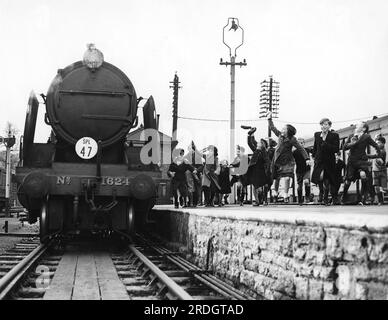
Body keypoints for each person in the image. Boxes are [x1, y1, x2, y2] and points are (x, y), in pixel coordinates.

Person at [268, 112, 309, 203]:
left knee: (286, 177)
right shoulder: (279, 135)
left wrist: (307, 158)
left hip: (287, 160)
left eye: (284, 129)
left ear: (288, 131)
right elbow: (272, 128)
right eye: (282, 128)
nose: (282, 129)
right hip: (277, 159)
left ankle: (285, 194)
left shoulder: (292, 139)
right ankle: (275, 191)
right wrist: (269, 119)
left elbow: (301, 148)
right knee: (276, 178)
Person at [342, 122, 381, 205]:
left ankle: (363, 197)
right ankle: (344, 196)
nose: (357, 125)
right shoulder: (351, 136)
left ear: (363, 128)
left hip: (361, 161)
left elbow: (375, 145)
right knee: (348, 181)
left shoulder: (366, 137)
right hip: (352, 161)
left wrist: (378, 155)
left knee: (363, 175)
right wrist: (352, 143)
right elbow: (344, 147)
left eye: (359, 125)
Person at [311, 118, 340, 205]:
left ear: (329, 126)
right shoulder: (317, 134)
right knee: (320, 177)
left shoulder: (334, 135)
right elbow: (315, 147)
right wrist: (313, 156)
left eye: (326, 124)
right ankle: (322, 194)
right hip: (319, 160)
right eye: (322, 124)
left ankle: (329, 198)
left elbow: (336, 148)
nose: (324, 126)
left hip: (329, 160)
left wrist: (324, 142)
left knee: (329, 180)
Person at [246, 127, 272, 206]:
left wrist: (268, 170)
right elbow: (250, 143)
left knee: (263, 186)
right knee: (255, 186)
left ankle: (264, 200)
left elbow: (268, 162)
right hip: (254, 171)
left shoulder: (264, 153)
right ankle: (257, 201)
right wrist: (249, 134)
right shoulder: (255, 150)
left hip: (262, 171)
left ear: (263, 145)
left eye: (259, 143)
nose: (257, 144)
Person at [367, 134, 386, 205]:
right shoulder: (376, 149)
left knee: (383, 188)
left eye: (379, 143)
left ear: (383, 144)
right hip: (375, 170)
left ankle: (381, 200)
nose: (377, 144)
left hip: (381, 170)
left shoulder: (383, 151)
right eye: (376, 142)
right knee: (376, 186)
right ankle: (380, 201)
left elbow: (375, 157)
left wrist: (366, 155)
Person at [293, 138, 313, 205]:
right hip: (299, 170)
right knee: (299, 186)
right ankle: (300, 199)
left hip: (307, 169)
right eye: (299, 143)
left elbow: (314, 153)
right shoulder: (294, 152)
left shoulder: (307, 150)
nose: (300, 144)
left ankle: (307, 197)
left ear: (304, 143)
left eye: (302, 143)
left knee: (306, 182)